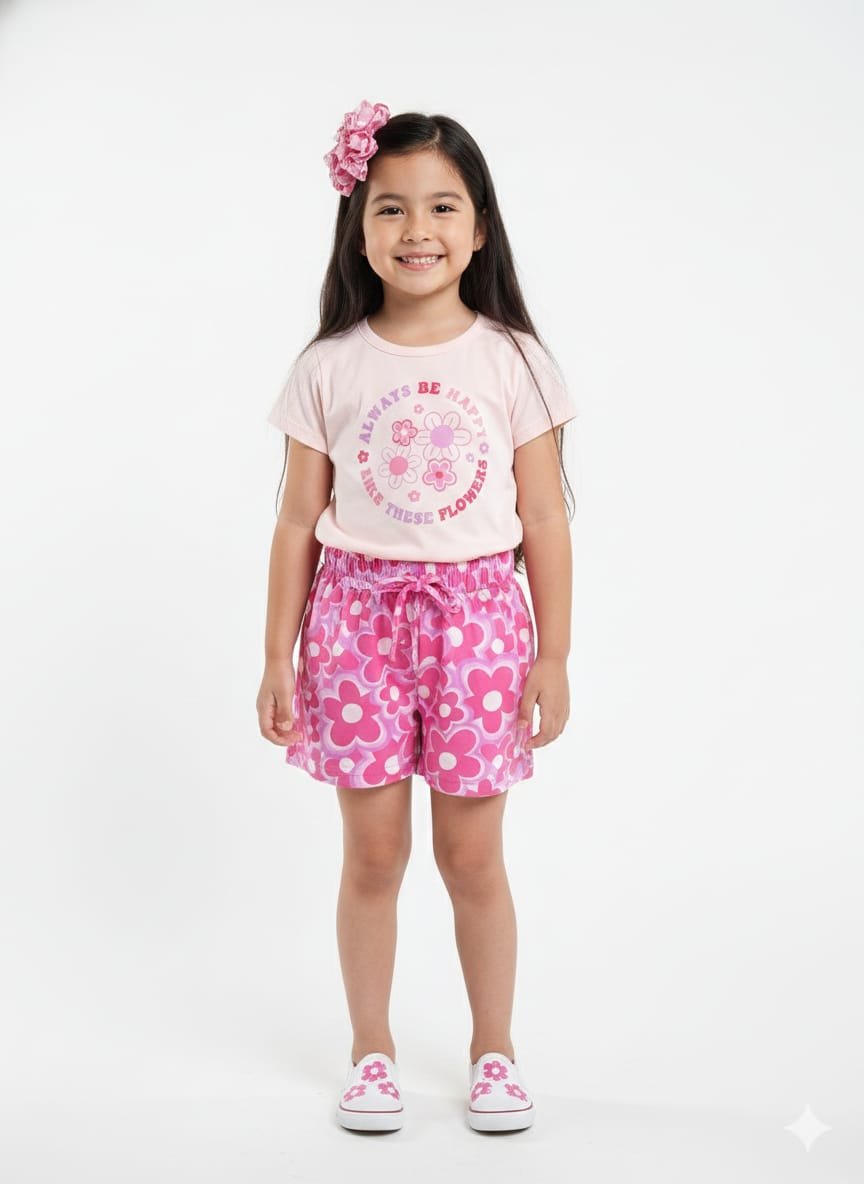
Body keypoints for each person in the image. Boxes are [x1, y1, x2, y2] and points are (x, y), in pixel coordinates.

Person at [256, 100, 579, 1134]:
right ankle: (371, 1051)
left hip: (479, 626)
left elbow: (544, 517)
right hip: (354, 628)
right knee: (373, 856)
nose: (416, 229)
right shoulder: (327, 365)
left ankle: (495, 1050)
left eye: (442, 206)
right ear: (359, 229)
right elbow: (298, 520)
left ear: (480, 227)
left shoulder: (514, 360)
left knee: (472, 858)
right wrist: (277, 654)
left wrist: (555, 655)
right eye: (390, 207)